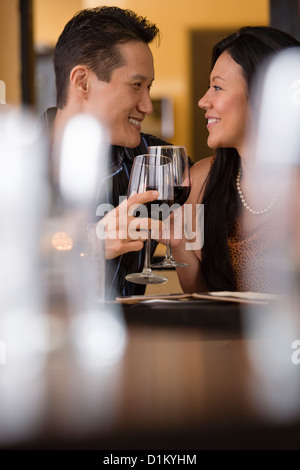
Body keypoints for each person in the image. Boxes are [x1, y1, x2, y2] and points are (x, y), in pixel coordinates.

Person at [42, 6, 171, 298]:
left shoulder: (155, 160)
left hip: (132, 342)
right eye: (136, 85)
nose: (147, 106)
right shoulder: (13, 163)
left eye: (148, 87)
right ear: (82, 82)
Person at [171, 26, 300, 294]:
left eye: (217, 87)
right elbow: (204, 298)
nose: (203, 101)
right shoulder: (200, 181)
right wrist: (180, 246)